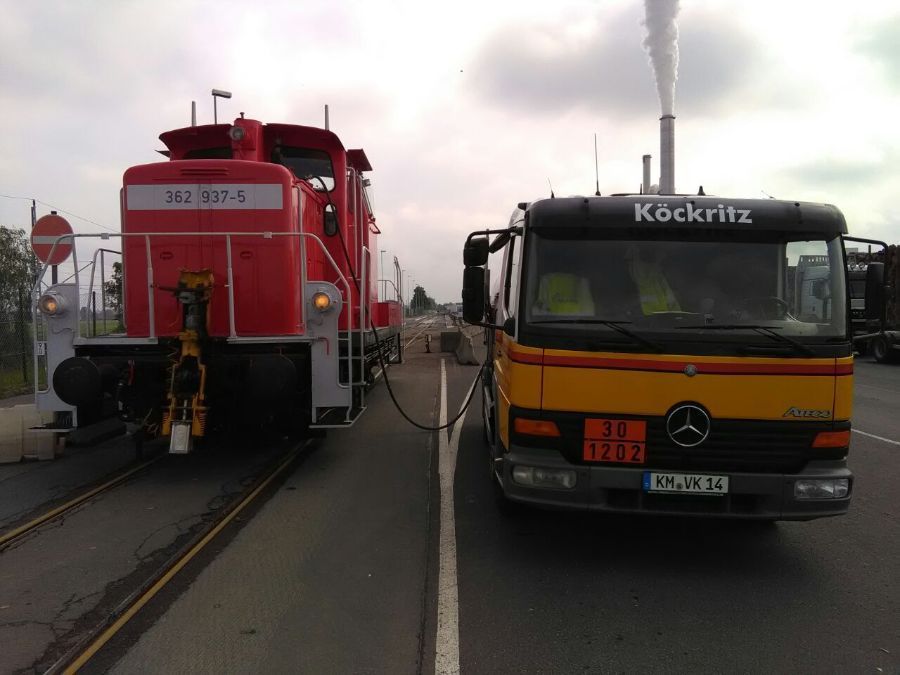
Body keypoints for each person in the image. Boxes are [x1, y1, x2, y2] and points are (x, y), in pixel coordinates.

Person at [627, 245, 681, 314]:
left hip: (666, 318)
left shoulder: (662, 278)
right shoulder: (642, 272)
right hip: (646, 318)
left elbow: (675, 308)